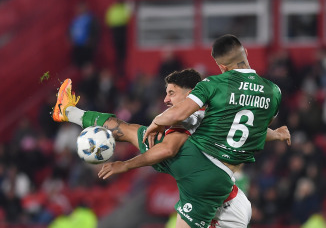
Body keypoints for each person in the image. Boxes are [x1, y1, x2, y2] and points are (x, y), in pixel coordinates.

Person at [52, 69, 290, 228]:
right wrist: (276, 134)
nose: (166, 99)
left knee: (127, 130)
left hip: (206, 184)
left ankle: (68, 112)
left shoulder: (185, 115)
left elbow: (168, 149)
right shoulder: (215, 111)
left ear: (190, 93)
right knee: (127, 129)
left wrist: (125, 164)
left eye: (172, 93)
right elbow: (246, 131)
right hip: (223, 193)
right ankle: (68, 111)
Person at [139, 34, 284, 228]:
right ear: (246, 53)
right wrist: (275, 134)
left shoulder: (213, 84)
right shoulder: (274, 92)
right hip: (231, 173)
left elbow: (178, 113)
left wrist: (157, 121)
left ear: (222, 66)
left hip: (204, 167)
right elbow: (258, 127)